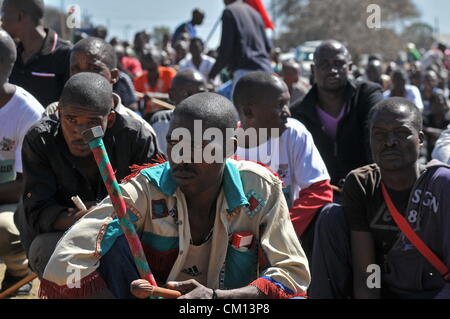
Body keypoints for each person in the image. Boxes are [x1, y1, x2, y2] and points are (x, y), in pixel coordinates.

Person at [39, 92, 310, 299]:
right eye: (174, 142)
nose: (181, 156)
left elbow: (293, 273)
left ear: (230, 147)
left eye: (196, 145)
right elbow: (68, 257)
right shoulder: (144, 189)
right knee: (113, 245)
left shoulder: (261, 189)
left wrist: (218, 298)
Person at [17, 73, 162, 279]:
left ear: (109, 119)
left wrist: (108, 220)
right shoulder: (40, 140)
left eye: (92, 122)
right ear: (59, 113)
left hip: (129, 237)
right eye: (71, 119)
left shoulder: (136, 138)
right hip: (68, 236)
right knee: (42, 248)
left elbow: (157, 205)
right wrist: (93, 218)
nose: (79, 131)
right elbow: (39, 212)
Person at [309, 97, 450, 299]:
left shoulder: (441, 184)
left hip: (436, 292)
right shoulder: (363, 184)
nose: (390, 141)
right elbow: (367, 272)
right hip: (388, 290)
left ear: (420, 139)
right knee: (330, 216)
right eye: (380, 134)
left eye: (402, 134)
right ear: (370, 140)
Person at [233, 71, 332, 258]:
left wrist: (279, 237)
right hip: (236, 245)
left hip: (286, 239)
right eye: (280, 105)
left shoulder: (294, 133)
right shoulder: (225, 144)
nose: (288, 111)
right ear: (248, 112)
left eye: (287, 103)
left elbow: (320, 191)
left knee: (332, 215)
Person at [290, 40, 384, 192]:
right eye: (324, 64)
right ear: (313, 69)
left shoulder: (367, 95)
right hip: (320, 199)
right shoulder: (298, 112)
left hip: (367, 192)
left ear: (350, 67)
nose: (332, 70)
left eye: (339, 63)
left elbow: (377, 139)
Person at [0, 29, 44, 296]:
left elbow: (23, 186)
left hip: (13, 201)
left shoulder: (28, 113)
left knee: (4, 229)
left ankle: (19, 272)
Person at [44, 37, 154, 136]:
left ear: (114, 76)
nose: (84, 77)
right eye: (76, 69)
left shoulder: (139, 131)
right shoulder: (54, 114)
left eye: (94, 69)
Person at [1, 0, 72, 107]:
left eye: (4, 12)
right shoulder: (8, 54)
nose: (1, 19)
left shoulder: (66, 55)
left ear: (20, 16)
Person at [208, 0, 272, 91]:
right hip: (267, 72)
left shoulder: (229, 11)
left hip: (246, 75)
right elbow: (268, 47)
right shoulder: (256, 13)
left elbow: (226, 51)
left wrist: (211, 75)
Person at [150, 69, 207, 154]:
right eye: (188, 94)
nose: (195, 99)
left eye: (200, 93)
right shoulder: (161, 121)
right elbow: (160, 162)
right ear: (172, 95)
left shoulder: (216, 123)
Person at [133, 50, 176, 116]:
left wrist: (155, 95)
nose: (151, 72)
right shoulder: (139, 80)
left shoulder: (170, 74)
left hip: (169, 112)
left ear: (159, 62)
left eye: (153, 68)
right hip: (149, 115)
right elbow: (136, 101)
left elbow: (175, 96)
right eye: (149, 69)